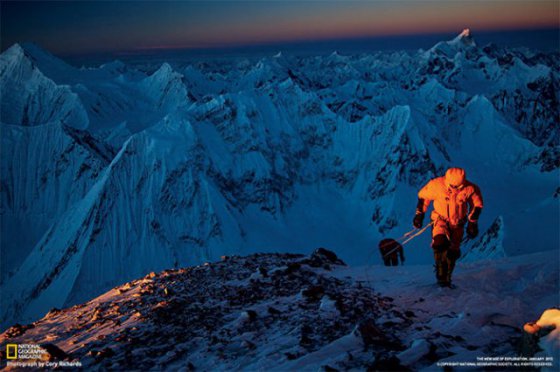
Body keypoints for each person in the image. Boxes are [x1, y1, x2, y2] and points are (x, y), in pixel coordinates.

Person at [413, 167, 483, 287]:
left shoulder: (470, 188)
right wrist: (419, 215)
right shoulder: (437, 185)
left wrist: (472, 223)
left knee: (453, 252)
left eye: (458, 186)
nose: (455, 188)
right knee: (439, 242)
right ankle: (441, 272)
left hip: (458, 224)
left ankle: (447, 277)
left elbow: (477, 204)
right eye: (452, 186)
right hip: (440, 219)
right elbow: (423, 197)